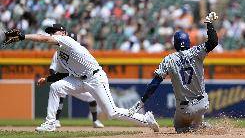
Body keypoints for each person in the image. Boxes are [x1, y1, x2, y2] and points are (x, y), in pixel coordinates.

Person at [8, 23, 159, 132]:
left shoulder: (67, 40)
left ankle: (146, 119)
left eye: (55, 31)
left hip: (95, 78)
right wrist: (47, 79)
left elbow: (45, 39)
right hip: (80, 80)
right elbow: (63, 74)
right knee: (56, 86)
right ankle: (50, 123)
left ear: (63, 33)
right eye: (50, 32)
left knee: (112, 113)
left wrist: (23, 36)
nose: (52, 34)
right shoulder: (60, 54)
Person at [129, 12, 219, 133]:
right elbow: (213, 41)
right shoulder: (196, 51)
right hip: (203, 104)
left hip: (185, 108)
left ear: (175, 44)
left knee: (179, 128)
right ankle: (200, 125)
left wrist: (142, 101)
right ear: (188, 41)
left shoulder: (169, 59)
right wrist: (209, 24)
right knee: (197, 115)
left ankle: (195, 127)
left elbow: (154, 84)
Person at [37, 29, 104, 128]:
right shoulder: (59, 52)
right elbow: (52, 69)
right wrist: (56, 79)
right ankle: (55, 121)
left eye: (73, 39)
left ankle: (95, 121)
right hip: (66, 81)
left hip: (78, 82)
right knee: (59, 91)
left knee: (92, 97)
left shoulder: (78, 51)